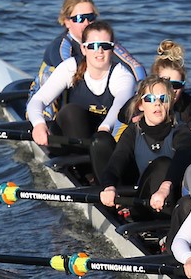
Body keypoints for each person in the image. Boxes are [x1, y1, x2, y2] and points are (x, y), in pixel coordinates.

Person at [26, 19, 137, 170]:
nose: (99, 51)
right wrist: (38, 124)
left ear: (113, 49)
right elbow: (38, 100)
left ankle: (97, 173)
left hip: (102, 140)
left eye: (105, 46)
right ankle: (81, 170)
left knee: (102, 141)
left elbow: (119, 105)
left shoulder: (122, 76)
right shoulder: (71, 67)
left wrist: (104, 128)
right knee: (71, 112)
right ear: (83, 49)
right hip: (68, 139)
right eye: (93, 46)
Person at [96, 77, 191, 222]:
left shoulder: (182, 131)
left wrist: (165, 187)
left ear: (170, 103)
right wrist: (109, 186)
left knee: (164, 163)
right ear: (140, 105)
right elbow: (117, 160)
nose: (157, 103)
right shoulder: (133, 131)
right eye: (150, 98)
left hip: (172, 200)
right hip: (142, 202)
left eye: (163, 98)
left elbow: (183, 156)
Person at [30, 0, 145, 94]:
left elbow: (135, 67)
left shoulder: (106, 43)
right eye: (80, 18)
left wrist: (141, 89)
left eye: (90, 17)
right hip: (57, 102)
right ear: (67, 22)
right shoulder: (61, 46)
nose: (86, 23)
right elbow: (69, 74)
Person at [148, 39, 191, 149]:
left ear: (183, 86)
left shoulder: (187, 104)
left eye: (176, 85)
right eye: (166, 83)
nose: (171, 89)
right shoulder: (143, 102)